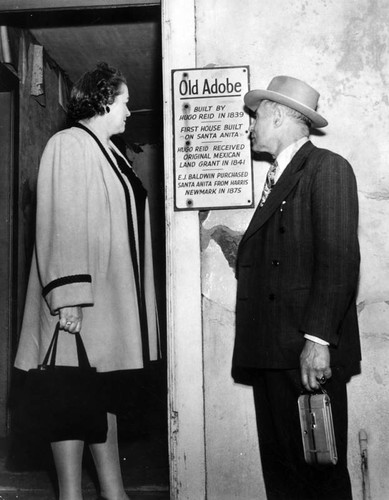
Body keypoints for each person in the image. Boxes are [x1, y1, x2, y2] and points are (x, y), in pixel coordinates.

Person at [14, 62, 160, 500]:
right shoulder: (69, 144)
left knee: (100, 396)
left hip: (109, 301)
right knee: (69, 398)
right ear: (100, 101)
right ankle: (72, 496)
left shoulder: (109, 151)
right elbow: (62, 220)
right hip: (81, 300)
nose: (130, 111)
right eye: (124, 102)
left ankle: (114, 493)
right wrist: (69, 298)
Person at [232, 76, 361, 500]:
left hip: (302, 351)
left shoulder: (327, 168)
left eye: (256, 116)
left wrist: (318, 340)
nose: (250, 125)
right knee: (285, 476)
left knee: (317, 473)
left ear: (282, 116)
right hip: (273, 350)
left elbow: (339, 260)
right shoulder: (281, 176)